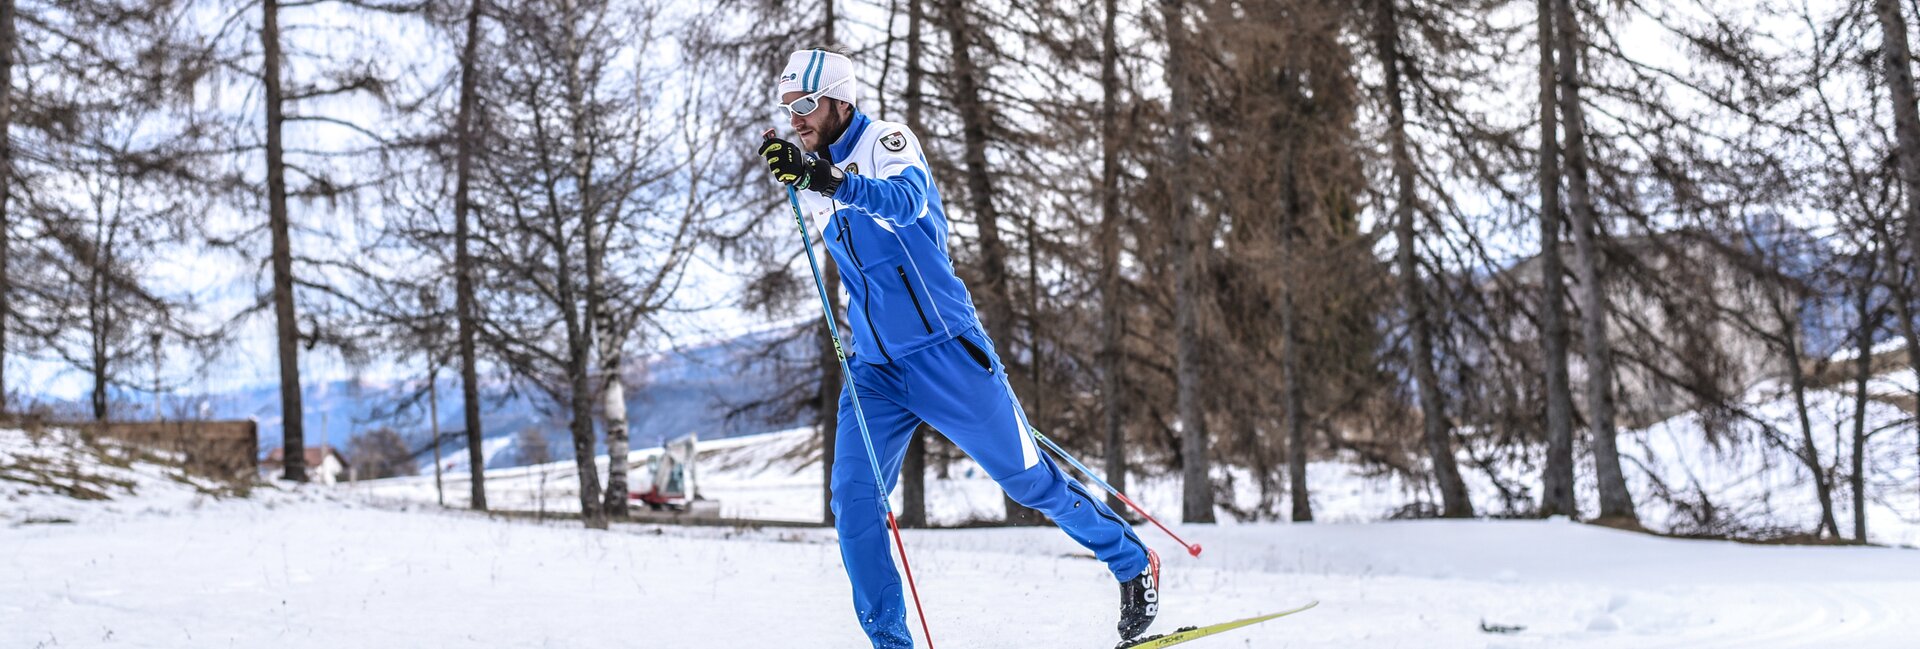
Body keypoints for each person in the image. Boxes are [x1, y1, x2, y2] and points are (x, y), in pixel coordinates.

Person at [756, 49, 1161, 648]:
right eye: (789, 107)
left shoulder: (886, 141)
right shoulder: (810, 171)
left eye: (807, 104)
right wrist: (814, 176)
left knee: (1029, 482)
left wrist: (828, 179)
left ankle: (1132, 561)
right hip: (874, 369)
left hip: (945, 350)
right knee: (853, 501)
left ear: (841, 101)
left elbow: (906, 203)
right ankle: (890, 642)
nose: (797, 118)